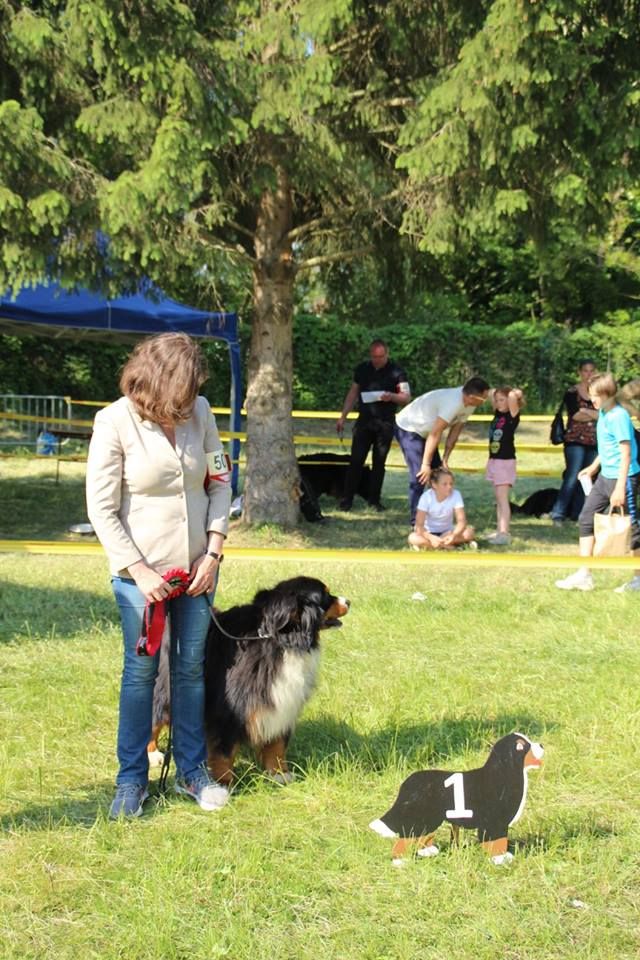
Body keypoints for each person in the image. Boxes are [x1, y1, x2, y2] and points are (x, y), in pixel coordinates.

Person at [86, 333, 232, 818]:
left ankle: (193, 773)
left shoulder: (203, 412)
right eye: (183, 392)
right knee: (141, 675)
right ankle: (131, 780)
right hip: (138, 580)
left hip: (197, 574)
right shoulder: (113, 421)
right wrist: (139, 570)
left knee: (191, 671)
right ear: (157, 381)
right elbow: (102, 510)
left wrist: (213, 552)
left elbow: (220, 480)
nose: (189, 403)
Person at [555, 372, 640, 593]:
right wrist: (594, 467)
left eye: (595, 396)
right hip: (605, 477)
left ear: (606, 394)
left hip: (624, 478)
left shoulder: (619, 416)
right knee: (586, 518)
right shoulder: (603, 411)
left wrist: (621, 487)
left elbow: (626, 453)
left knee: (631, 528)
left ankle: (638, 578)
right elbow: (607, 447)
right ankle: (584, 575)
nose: (591, 400)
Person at [395, 376, 490, 525]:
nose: (485, 401)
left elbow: (455, 431)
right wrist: (426, 464)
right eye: (483, 398)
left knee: (439, 474)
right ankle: (417, 523)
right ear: (472, 396)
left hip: (427, 432)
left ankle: (438, 516)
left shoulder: (471, 404)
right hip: (409, 428)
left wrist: (445, 458)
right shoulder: (452, 402)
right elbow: (435, 434)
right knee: (420, 476)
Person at [336, 339, 410, 511]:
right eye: (374, 356)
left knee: (379, 463)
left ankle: (374, 500)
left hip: (385, 424)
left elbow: (406, 397)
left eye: (381, 356)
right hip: (364, 422)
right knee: (355, 461)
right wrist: (343, 416)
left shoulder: (397, 371)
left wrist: (391, 396)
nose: (377, 360)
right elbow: (353, 392)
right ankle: (347, 500)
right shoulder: (362, 369)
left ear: (387, 354)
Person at [550, 359, 598, 524]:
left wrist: (586, 411)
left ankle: (579, 514)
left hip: (595, 442)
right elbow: (575, 415)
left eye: (592, 371)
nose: (589, 374)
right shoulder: (571, 391)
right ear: (580, 372)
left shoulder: (601, 393)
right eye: (585, 370)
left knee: (586, 478)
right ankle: (558, 513)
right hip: (574, 441)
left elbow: (603, 414)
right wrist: (593, 412)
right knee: (571, 477)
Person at [485, 386, 525, 546]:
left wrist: (513, 394)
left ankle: (504, 533)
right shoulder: (498, 413)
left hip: (505, 461)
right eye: (497, 400)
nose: (498, 402)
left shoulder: (512, 416)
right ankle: (500, 529)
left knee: (503, 499)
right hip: (494, 460)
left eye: (502, 400)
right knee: (498, 499)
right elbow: (490, 393)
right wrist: (497, 394)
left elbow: (514, 397)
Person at [408, 467, 475, 550]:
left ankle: (433, 546)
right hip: (428, 533)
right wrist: (431, 537)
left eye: (451, 483)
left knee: (469, 532)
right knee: (413, 537)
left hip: (448, 532)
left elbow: (462, 522)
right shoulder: (426, 497)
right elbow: (419, 525)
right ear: (434, 484)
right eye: (445, 484)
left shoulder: (456, 494)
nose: (449, 487)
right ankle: (449, 546)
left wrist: (453, 535)